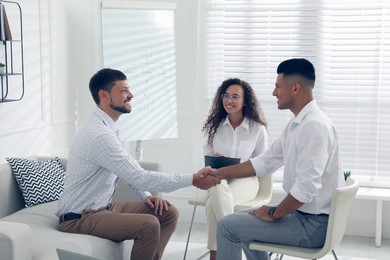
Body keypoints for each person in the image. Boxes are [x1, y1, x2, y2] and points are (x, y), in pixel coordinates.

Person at [57, 68, 220, 260]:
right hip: (79, 218)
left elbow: (127, 170)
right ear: (104, 95)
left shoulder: (105, 126)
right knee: (148, 225)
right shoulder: (100, 135)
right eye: (124, 90)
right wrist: (193, 179)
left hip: (101, 208)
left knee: (168, 213)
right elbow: (141, 177)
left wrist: (146, 196)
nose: (131, 95)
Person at [205, 58, 345, 260]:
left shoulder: (314, 126)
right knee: (237, 220)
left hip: (313, 225)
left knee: (228, 226)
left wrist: (274, 213)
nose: (273, 92)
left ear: (295, 88)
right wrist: (218, 173)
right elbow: (265, 161)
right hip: (302, 216)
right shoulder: (297, 124)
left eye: (278, 86)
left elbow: (307, 187)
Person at [202, 78, 268, 260]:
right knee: (217, 188)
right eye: (226, 96)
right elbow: (206, 160)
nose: (229, 101)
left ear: (245, 101)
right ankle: (233, 243)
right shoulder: (214, 127)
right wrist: (213, 161)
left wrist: (241, 169)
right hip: (217, 179)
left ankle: (216, 255)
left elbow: (263, 163)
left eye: (235, 97)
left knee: (212, 205)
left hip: (247, 180)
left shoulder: (258, 129)